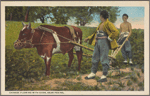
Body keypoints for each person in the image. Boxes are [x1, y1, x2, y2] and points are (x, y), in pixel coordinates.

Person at [84, 10, 119, 82]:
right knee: (95, 56)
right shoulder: (101, 24)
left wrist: (110, 37)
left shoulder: (109, 23)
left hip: (104, 42)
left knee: (103, 57)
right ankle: (93, 73)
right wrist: (88, 38)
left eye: (100, 16)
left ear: (101, 16)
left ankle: (104, 75)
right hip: (97, 42)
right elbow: (95, 33)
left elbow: (116, 32)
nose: (100, 17)